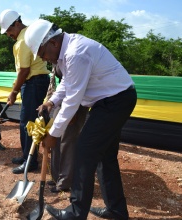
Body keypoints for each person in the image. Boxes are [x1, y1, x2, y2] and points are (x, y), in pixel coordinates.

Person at [24, 19, 137, 220]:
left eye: (42, 54)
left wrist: (53, 134)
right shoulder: (66, 52)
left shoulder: (76, 53)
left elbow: (73, 101)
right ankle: (117, 211)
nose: (43, 59)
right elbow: (67, 81)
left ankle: (76, 213)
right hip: (112, 100)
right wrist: (51, 102)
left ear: (53, 43)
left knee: (84, 151)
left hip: (115, 101)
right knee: (105, 157)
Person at [0, 10, 50, 174]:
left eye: (8, 30)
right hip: (37, 82)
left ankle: (30, 161)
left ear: (16, 23)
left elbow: (24, 70)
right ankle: (27, 155)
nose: (8, 34)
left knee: (28, 123)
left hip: (33, 83)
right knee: (27, 122)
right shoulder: (30, 34)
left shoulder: (22, 41)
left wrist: (14, 91)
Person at [47, 65, 89, 193]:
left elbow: (78, 88)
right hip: (63, 99)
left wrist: (74, 111)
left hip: (76, 101)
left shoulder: (74, 56)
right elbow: (64, 82)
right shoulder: (59, 58)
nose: (44, 59)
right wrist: (50, 102)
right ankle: (56, 177)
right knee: (55, 138)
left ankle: (65, 182)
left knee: (68, 141)